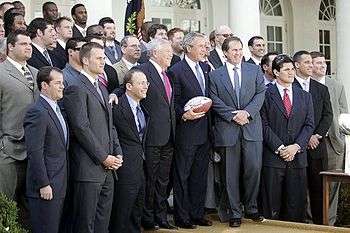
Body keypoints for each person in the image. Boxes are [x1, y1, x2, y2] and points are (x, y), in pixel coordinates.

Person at [63, 42, 123, 233]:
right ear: (86, 60)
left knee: (102, 223)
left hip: (108, 169)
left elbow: (110, 125)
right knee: (85, 224)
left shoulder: (102, 87)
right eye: (99, 58)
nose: (103, 62)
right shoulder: (75, 87)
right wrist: (103, 157)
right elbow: (81, 128)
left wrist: (117, 152)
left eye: (104, 58)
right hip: (88, 169)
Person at [209, 36, 265, 227]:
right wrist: (233, 116)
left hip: (251, 129)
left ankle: (251, 207)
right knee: (229, 174)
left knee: (254, 169)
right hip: (228, 130)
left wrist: (247, 113)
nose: (238, 53)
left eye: (240, 49)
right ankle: (234, 212)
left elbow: (260, 94)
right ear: (225, 52)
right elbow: (214, 99)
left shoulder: (255, 70)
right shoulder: (215, 75)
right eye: (234, 50)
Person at [260, 54, 314, 222]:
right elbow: (263, 125)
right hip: (273, 159)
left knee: (296, 208)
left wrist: (296, 146)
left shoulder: (304, 96)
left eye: (292, 69)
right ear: (275, 72)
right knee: (271, 208)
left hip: (298, 159)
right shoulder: (264, 94)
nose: (291, 72)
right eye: (286, 69)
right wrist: (281, 148)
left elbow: (309, 125)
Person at [168, 32, 212, 229]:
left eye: (205, 46)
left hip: (204, 131)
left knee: (199, 175)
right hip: (186, 131)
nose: (205, 49)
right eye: (201, 46)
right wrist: (183, 115)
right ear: (188, 48)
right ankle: (182, 216)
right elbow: (173, 102)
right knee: (183, 175)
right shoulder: (176, 70)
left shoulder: (205, 67)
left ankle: (197, 213)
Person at [135, 39, 176, 230]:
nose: (171, 54)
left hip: (169, 136)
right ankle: (148, 219)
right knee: (150, 180)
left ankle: (162, 218)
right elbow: (126, 87)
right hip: (151, 136)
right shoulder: (143, 70)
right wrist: (114, 95)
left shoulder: (167, 74)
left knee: (163, 181)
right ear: (153, 53)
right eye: (166, 51)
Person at [0, 30, 38, 229]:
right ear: (10, 47)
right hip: (8, 151)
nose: (28, 47)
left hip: (33, 150)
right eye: (23, 44)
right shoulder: (1, 73)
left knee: (28, 206)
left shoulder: (36, 73)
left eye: (30, 43)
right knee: (6, 203)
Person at [24, 66, 68, 233]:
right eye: (58, 83)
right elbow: (35, 152)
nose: (62, 86)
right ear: (44, 85)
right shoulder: (37, 111)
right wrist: (43, 183)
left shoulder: (57, 109)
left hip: (60, 184)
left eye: (62, 83)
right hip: (46, 187)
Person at [293, 50, 333, 224]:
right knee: (297, 191)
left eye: (312, 63)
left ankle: (320, 225)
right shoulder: (289, 86)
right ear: (297, 65)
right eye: (307, 62)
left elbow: (328, 115)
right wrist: (305, 138)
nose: (311, 66)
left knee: (319, 190)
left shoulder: (321, 89)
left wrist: (316, 135)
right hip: (296, 147)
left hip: (317, 146)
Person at [311, 51, 348, 225]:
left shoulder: (336, 85)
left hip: (333, 142)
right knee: (311, 183)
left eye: (324, 62)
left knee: (333, 186)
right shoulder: (305, 85)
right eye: (318, 63)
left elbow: (343, 113)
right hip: (312, 142)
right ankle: (310, 221)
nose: (322, 65)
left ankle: (329, 223)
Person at [110, 69, 149, 233]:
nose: (145, 86)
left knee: (137, 208)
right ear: (129, 86)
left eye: (146, 83)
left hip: (140, 166)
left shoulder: (143, 107)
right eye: (141, 83)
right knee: (122, 210)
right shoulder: (117, 106)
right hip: (123, 167)